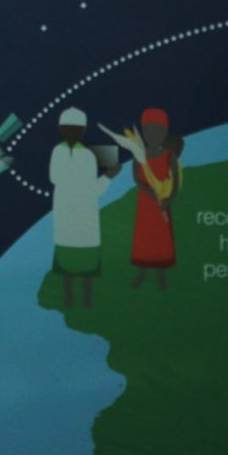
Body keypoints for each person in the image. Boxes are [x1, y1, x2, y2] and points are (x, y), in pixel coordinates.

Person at [49, 107, 120, 308]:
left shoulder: (89, 156)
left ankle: (88, 299)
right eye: (68, 129)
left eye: (76, 129)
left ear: (82, 131)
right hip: (65, 215)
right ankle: (69, 298)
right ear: (61, 130)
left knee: (87, 262)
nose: (71, 133)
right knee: (67, 262)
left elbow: (94, 189)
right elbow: (56, 177)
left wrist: (108, 176)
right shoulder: (59, 153)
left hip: (85, 215)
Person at [131, 107, 182, 289]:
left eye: (158, 130)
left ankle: (161, 274)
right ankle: (142, 272)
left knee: (160, 240)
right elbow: (137, 178)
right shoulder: (139, 155)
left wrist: (169, 199)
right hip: (145, 205)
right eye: (149, 131)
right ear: (144, 133)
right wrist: (146, 189)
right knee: (144, 238)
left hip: (161, 206)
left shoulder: (169, 155)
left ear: (165, 132)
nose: (153, 135)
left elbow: (176, 181)